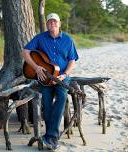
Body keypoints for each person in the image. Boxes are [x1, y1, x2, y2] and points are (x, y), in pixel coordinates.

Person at [22, 13, 78, 150]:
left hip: (62, 78)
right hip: (44, 77)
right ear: (47, 24)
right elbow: (25, 52)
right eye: (49, 22)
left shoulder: (68, 40)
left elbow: (72, 61)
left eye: (55, 22)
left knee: (61, 98)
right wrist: (36, 68)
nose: (52, 24)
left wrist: (64, 75)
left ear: (59, 24)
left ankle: (50, 137)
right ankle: (51, 137)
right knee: (46, 105)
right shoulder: (40, 38)